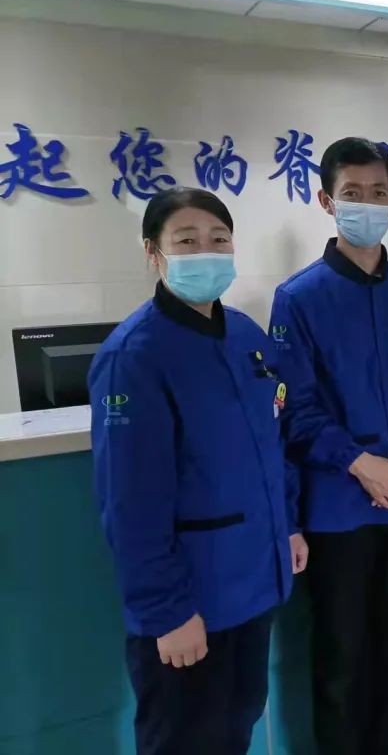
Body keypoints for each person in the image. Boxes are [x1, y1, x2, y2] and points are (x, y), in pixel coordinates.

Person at [89, 187, 307, 755]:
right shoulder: (134, 356)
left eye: (219, 239)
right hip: (192, 600)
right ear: (153, 252)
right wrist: (168, 612)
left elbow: (273, 442)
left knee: (236, 723)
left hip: (254, 583)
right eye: (186, 241)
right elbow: (130, 502)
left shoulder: (247, 337)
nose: (206, 252)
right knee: (185, 739)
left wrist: (287, 525)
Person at [269, 138, 388, 755]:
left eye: (378, 193)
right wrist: (358, 462)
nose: (367, 204)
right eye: (352, 194)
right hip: (341, 511)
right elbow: (293, 408)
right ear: (327, 201)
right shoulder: (299, 299)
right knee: (342, 659)